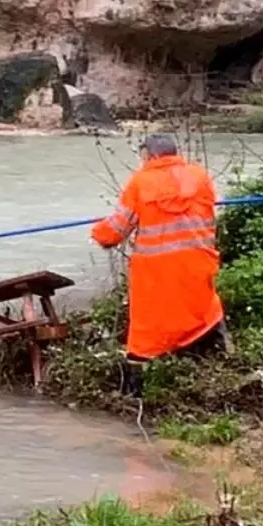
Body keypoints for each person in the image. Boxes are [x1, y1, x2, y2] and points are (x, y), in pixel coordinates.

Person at [91, 134, 226, 398]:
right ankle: (220, 363)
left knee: (148, 331)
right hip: (198, 264)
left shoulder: (140, 183)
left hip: (156, 273)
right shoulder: (200, 177)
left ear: (150, 156)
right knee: (204, 312)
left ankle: (135, 394)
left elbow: (117, 229)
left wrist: (98, 233)